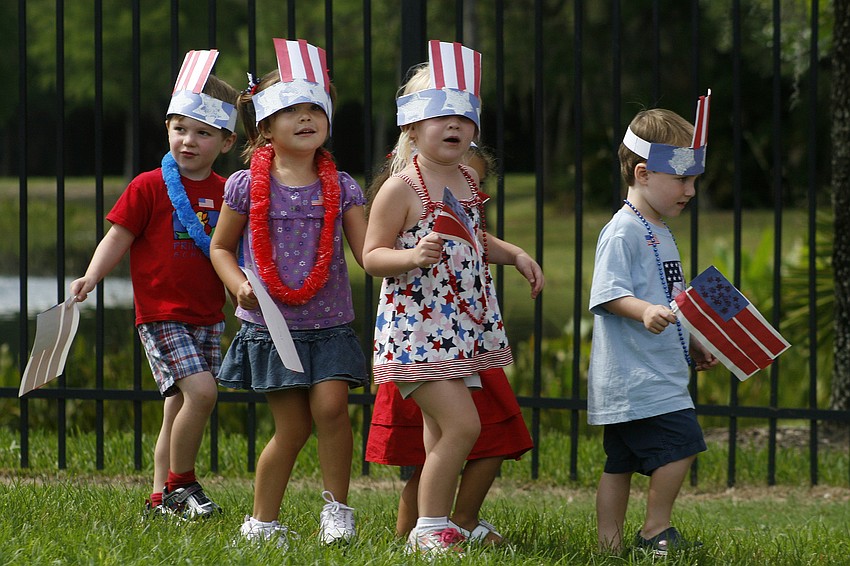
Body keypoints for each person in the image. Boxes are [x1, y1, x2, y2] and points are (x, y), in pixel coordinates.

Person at [363, 40, 544, 556]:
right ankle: (431, 529)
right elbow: (372, 255)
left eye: (463, 117)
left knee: (437, 434)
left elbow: (472, 240)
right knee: (465, 424)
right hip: (416, 331)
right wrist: (411, 257)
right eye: (439, 115)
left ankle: (434, 524)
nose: (453, 126)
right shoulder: (400, 188)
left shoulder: (467, 178)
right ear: (412, 127)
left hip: (460, 329)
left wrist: (513, 255)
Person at [209, 38, 368, 549]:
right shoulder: (242, 185)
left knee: (331, 409)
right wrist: (239, 286)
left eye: (314, 110)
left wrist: (408, 253)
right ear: (265, 125)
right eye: (291, 111)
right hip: (272, 327)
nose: (306, 119)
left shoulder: (341, 186)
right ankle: (262, 522)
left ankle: (336, 511)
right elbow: (221, 249)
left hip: (330, 326)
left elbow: (369, 252)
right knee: (293, 428)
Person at [70, 50, 238, 519]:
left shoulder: (228, 192)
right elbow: (117, 236)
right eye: (180, 128)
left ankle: (160, 497)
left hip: (207, 316)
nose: (188, 141)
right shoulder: (148, 186)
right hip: (162, 314)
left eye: (203, 133)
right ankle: (184, 485)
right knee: (203, 393)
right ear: (167, 128)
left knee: (177, 408)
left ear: (225, 142)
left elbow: (234, 254)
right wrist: (91, 276)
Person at [587, 91, 719, 555]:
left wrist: (695, 339)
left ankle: (609, 547)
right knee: (682, 443)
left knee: (618, 464)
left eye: (694, 180)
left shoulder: (659, 230)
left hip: (647, 372)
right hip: (638, 376)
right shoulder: (623, 230)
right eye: (682, 179)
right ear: (643, 173)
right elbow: (607, 293)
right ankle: (653, 532)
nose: (691, 191)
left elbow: (671, 299)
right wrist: (642, 310)